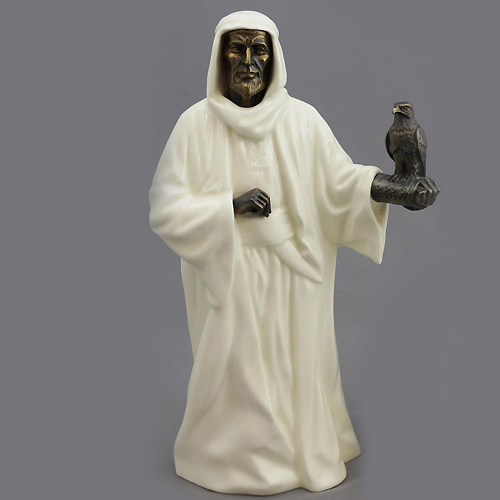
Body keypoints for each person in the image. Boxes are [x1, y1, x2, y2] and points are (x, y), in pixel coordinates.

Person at [149, 10, 438, 495]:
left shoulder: (302, 120)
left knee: (295, 366)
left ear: (274, 58)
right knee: (236, 371)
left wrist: (396, 190)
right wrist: (229, 206)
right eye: (236, 48)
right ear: (220, 57)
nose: (248, 61)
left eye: (258, 49)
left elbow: (339, 184)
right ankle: (231, 455)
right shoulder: (194, 125)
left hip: (294, 274)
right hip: (231, 275)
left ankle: (298, 450)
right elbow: (166, 207)